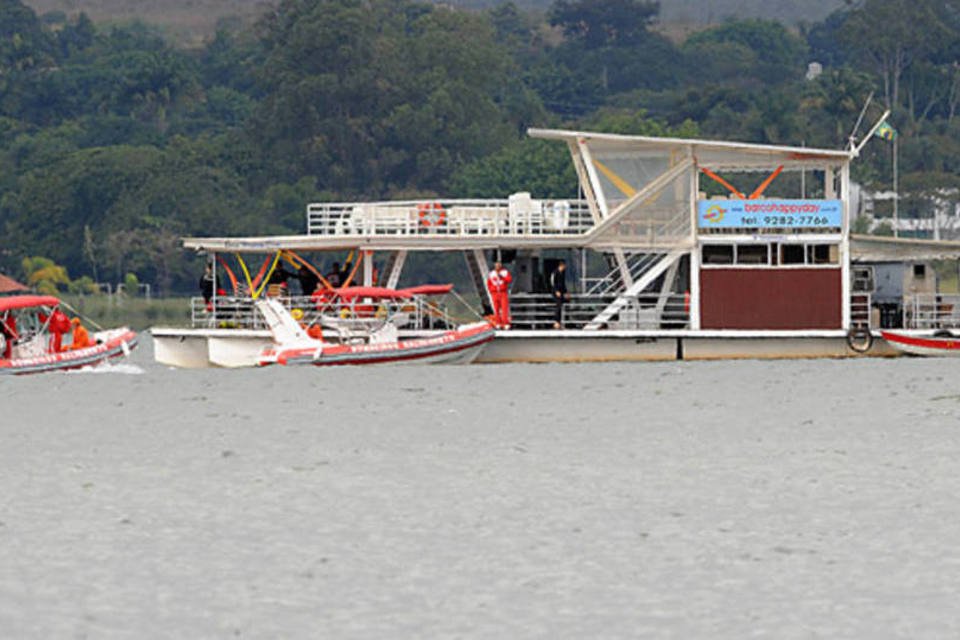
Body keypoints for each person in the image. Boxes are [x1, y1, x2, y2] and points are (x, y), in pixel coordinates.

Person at [486, 260, 513, 329]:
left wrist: (502, 277)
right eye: (496, 265)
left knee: (504, 308)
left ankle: (505, 323)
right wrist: (491, 291)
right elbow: (489, 283)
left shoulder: (504, 272)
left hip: (502, 292)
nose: (497, 266)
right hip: (495, 293)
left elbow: (509, 280)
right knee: (496, 309)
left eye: (499, 265)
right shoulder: (491, 273)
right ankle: (498, 323)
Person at [550, 259, 570, 329]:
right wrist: (556, 291)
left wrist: (566, 292)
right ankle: (556, 322)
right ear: (561, 265)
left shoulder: (562, 273)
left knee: (564, 304)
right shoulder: (555, 273)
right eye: (564, 266)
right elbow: (552, 283)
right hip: (556, 292)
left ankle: (563, 321)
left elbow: (563, 284)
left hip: (561, 292)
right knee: (558, 305)